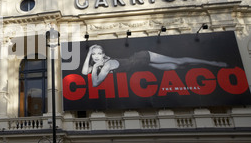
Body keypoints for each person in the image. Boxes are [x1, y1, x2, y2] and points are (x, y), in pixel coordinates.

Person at [82, 44, 227, 87]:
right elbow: (84, 72)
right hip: (143, 66)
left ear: (102, 54)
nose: (95, 57)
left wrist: (94, 67)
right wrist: (88, 55)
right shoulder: (101, 62)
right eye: (93, 54)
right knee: (175, 67)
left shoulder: (106, 65)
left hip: (143, 57)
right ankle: (200, 66)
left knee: (178, 61)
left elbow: (95, 83)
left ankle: (212, 63)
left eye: (97, 54)